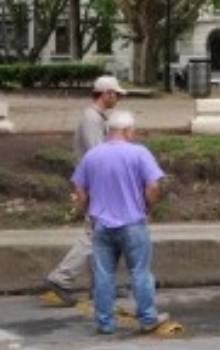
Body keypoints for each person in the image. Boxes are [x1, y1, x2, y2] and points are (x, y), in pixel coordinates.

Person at [71, 110, 168, 335]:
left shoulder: (92, 155)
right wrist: (148, 206)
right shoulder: (139, 153)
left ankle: (105, 322)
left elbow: (79, 188)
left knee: (104, 275)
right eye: (132, 130)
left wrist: (88, 210)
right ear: (126, 130)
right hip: (133, 222)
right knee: (140, 272)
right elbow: (153, 186)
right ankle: (147, 318)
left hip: (102, 225)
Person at [45, 75, 127, 306]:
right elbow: (97, 154)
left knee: (100, 236)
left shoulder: (95, 117)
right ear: (106, 94)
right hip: (96, 185)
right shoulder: (92, 119)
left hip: (93, 183)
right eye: (116, 94)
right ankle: (61, 277)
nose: (118, 99)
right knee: (94, 235)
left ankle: (101, 284)